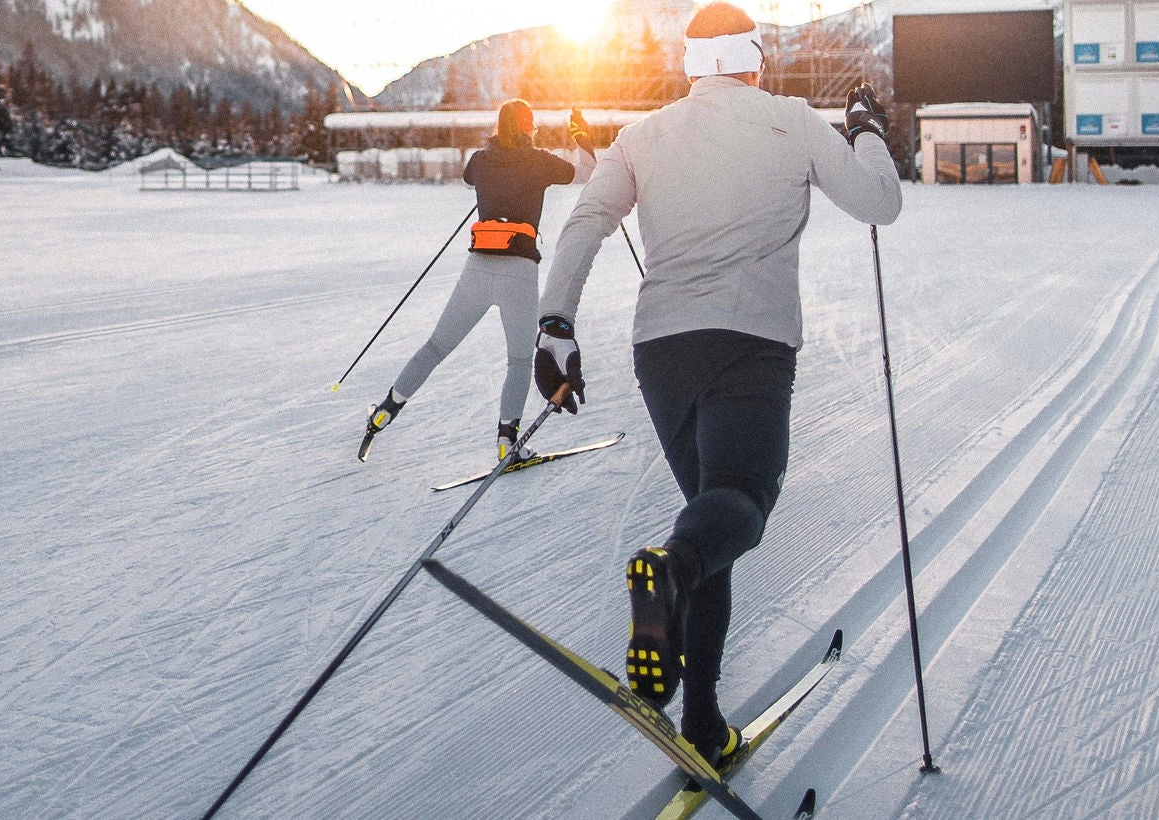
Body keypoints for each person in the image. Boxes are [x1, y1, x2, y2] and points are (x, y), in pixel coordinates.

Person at [531, 1, 902, 768]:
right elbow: (880, 203)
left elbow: (585, 222)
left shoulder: (643, 135)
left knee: (709, 518)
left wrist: (555, 329)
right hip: (751, 344)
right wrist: (865, 127)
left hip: (661, 350)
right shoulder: (792, 120)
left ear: (690, 65)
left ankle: (702, 720)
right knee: (739, 503)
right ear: (754, 59)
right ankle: (668, 575)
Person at [363, 100, 597, 462]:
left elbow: (471, 175)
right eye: (531, 127)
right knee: (518, 361)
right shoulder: (540, 161)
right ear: (526, 128)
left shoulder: (480, 160)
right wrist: (582, 138)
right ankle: (507, 443)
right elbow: (586, 172)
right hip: (519, 271)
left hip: (478, 269)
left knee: (436, 347)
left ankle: (385, 410)